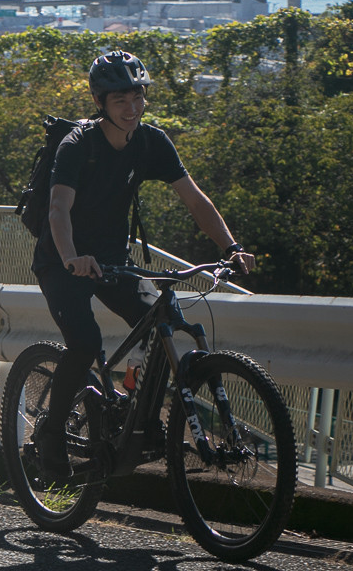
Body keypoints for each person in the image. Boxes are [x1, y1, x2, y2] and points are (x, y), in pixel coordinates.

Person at [32, 51, 255, 480]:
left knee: (166, 322)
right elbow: (58, 209)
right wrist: (71, 258)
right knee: (82, 343)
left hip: (114, 260)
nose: (131, 108)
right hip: (63, 260)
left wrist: (231, 247)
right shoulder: (77, 145)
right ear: (100, 102)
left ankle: (137, 417)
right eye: (120, 101)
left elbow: (195, 200)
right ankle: (52, 434)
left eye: (138, 97)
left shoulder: (151, 141)